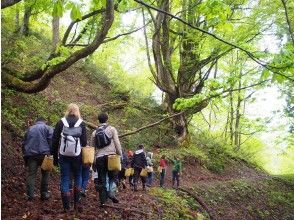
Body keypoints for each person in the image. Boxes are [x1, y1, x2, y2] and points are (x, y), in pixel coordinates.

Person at [52, 103, 87, 213]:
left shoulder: (61, 122)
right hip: (77, 156)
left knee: (65, 178)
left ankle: (66, 207)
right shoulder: (81, 123)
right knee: (77, 176)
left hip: (63, 155)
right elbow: (84, 142)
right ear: (77, 111)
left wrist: (54, 157)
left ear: (67, 110)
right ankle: (76, 203)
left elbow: (54, 141)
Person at [91, 112, 122, 207]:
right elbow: (117, 142)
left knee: (102, 179)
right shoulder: (112, 129)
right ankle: (111, 193)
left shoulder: (94, 132)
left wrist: (93, 160)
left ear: (98, 120)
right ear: (107, 119)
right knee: (113, 177)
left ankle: (103, 202)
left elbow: (93, 147)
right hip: (111, 157)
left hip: (99, 157)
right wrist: (120, 154)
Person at [22, 117, 53, 201]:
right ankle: (44, 194)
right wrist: (51, 153)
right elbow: (51, 141)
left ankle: (30, 195)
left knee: (31, 175)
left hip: (32, 155)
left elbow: (24, 143)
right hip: (45, 155)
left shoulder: (29, 129)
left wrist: (25, 154)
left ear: (36, 122)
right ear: (45, 122)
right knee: (45, 174)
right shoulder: (48, 128)